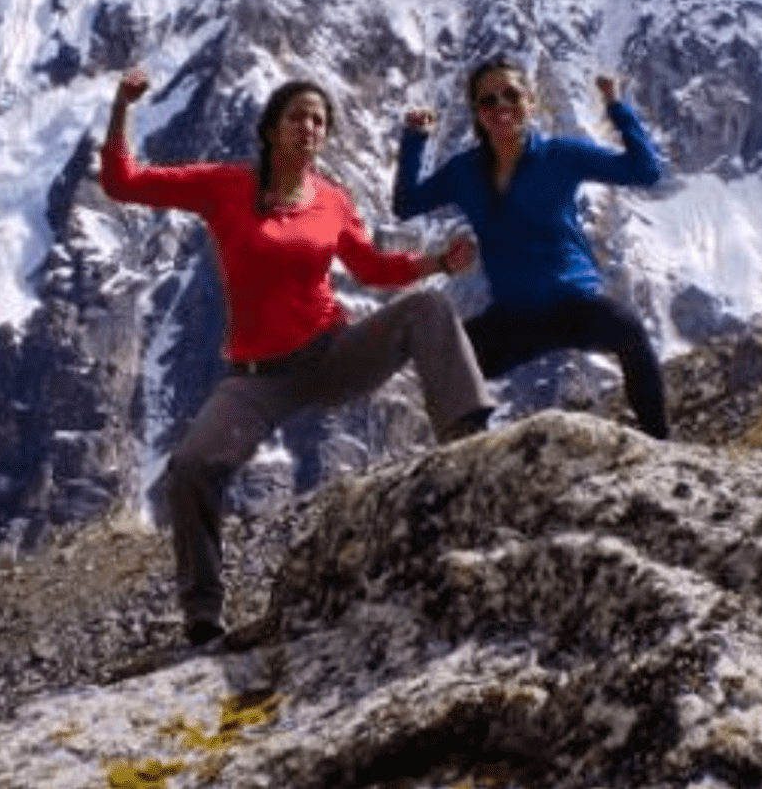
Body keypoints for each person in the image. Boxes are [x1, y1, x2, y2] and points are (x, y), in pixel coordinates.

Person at [100, 66, 495, 647]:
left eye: (319, 121)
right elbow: (123, 182)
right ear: (271, 129)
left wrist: (437, 263)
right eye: (297, 117)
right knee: (192, 470)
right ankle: (203, 615)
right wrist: (122, 106)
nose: (309, 127)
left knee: (427, 309)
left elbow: (371, 268)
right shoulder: (225, 185)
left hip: (331, 354)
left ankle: (470, 446)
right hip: (258, 380)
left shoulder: (332, 200)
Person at [393, 55, 672, 438]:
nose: (501, 106)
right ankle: (471, 453)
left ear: (531, 101)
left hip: (573, 304)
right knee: (447, 358)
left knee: (629, 331)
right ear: (477, 113)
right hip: (514, 316)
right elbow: (406, 204)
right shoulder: (465, 171)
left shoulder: (561, 155)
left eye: (511, 95)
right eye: (488, 100)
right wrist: (415, 139)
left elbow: (645, 170)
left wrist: (616, 106)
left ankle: (659, 442)